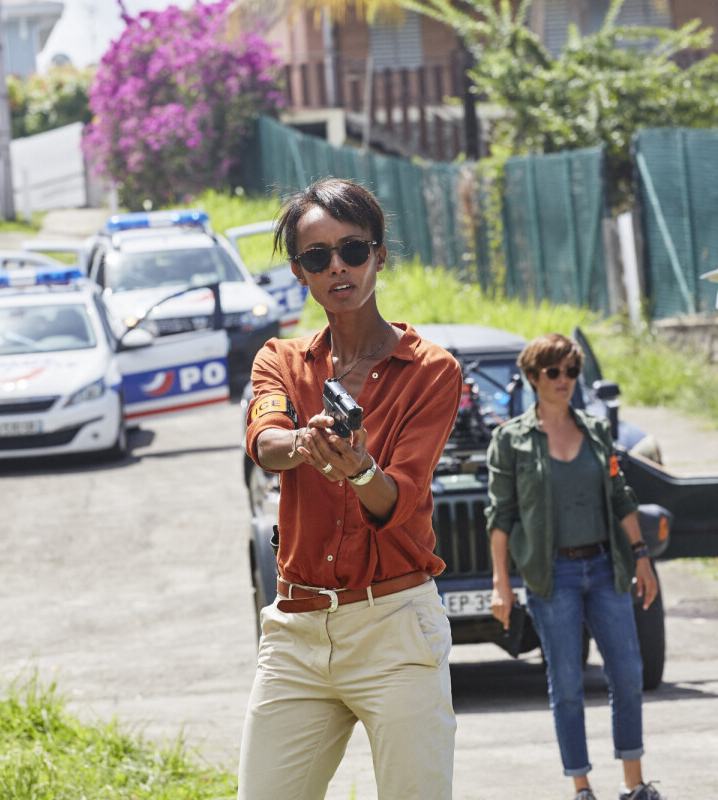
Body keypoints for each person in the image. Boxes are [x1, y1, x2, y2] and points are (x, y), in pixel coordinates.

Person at [239, 177, 463, 800]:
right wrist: (309, 447)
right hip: (297, 631)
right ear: (299, 272)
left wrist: (360, 470)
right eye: (318, 256)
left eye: (353, 249)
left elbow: (401, 499)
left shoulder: (432, 370)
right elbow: (265, 441)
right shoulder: (279, 359)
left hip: (394, 625)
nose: (337, 266)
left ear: (380, 254)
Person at [485, 333, 664, 800]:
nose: (564, 380)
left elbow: (621, 495)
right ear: (532, 378)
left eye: (570, 372)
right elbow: (500, 517)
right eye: (553, 372)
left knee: (627, 673)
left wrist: (641, 558)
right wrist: (501, 585)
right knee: (566, 684)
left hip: (605, 568)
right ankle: (582, 786)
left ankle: (634, 783)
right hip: (553, 576)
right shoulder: (511, 441)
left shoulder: (596, 431)